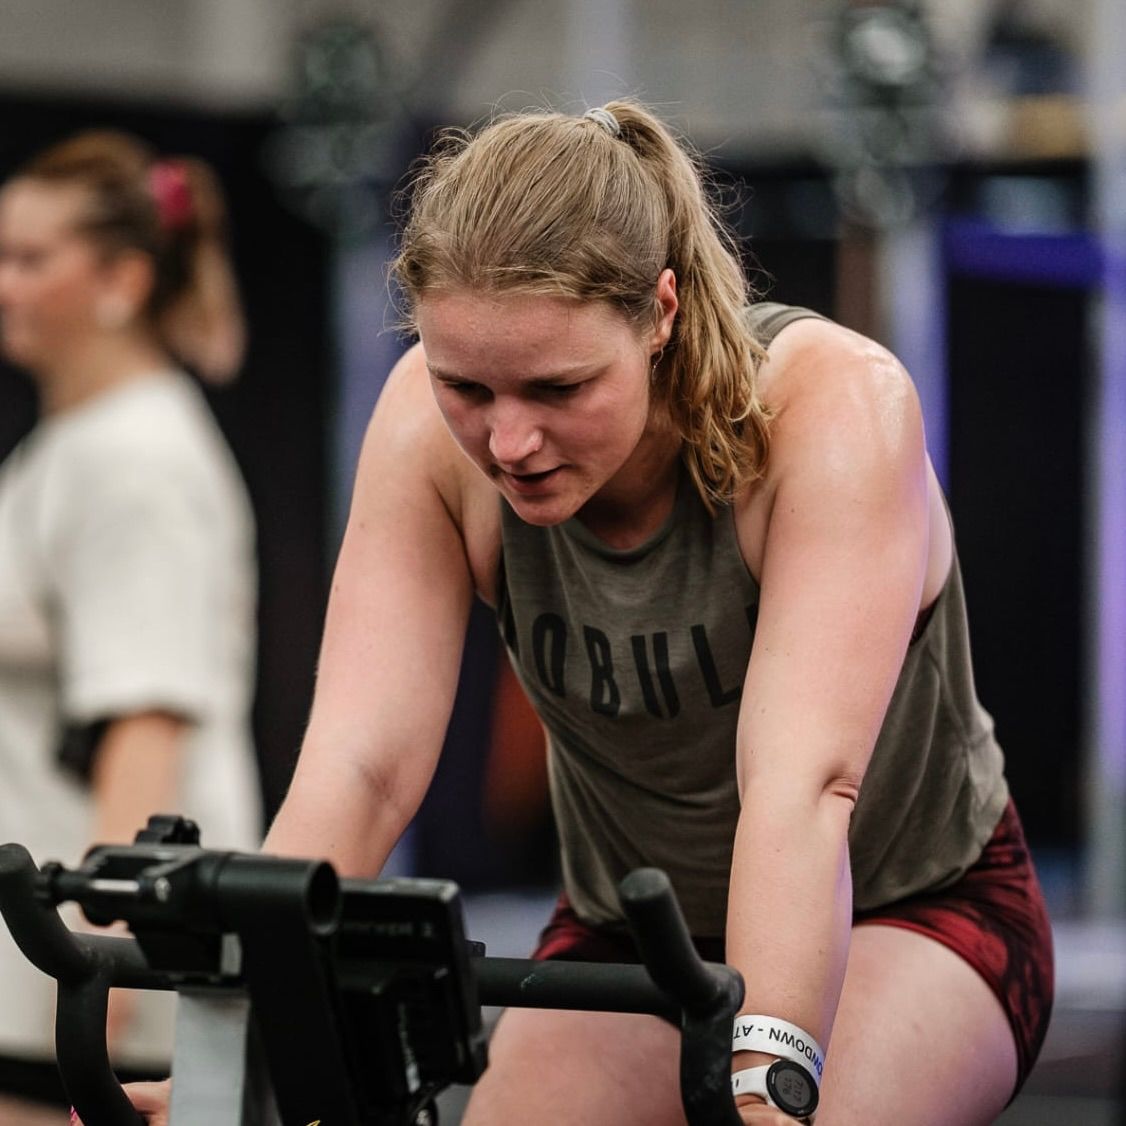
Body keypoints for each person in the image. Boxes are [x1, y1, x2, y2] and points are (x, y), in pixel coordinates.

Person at [112, 98, 1052, 1125]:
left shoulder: (828, 411)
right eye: (466, 383)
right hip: (630, 929)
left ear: (661, 312)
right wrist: (235, 1044)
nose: (508, 440)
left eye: (557, 388)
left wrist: (769, 1074)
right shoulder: (424, 434)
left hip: (908, 909)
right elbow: (362, 770)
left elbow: (801, 788)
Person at [0, 130, 263, 1114]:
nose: (5, 284)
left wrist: (94, 1001)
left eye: (31, 259)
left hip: (101, 1005)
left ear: (120, 276)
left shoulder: (137, 460)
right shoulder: (70, 446)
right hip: (38, 983)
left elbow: (145, 738)